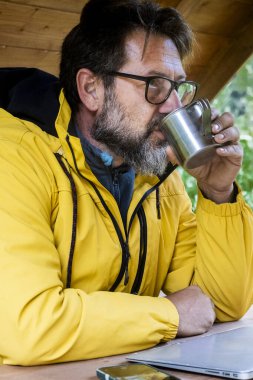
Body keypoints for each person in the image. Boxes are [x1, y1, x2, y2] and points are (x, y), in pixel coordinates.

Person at [0, 0, 253, 366]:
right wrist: (170, 316)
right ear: (90, 89)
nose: (172, 107)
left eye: (178, 87)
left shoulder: (156, 173)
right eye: (154, 85)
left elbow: (219, 306)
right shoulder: (16, 157)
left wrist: (218, 194)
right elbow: (28, 326)